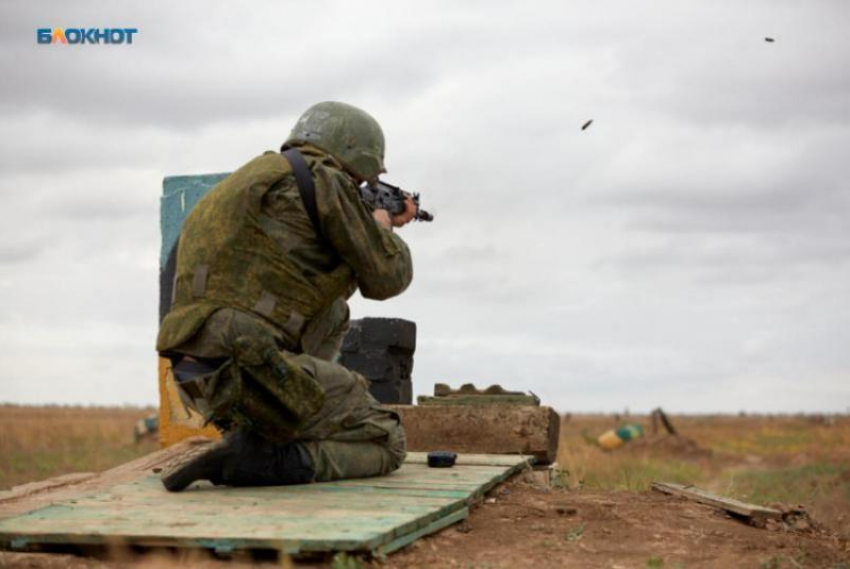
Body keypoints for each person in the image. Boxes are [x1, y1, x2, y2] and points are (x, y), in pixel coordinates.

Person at [157, 101, 416, 492]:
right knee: (387, 439)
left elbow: (292, 271)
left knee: (334, 311)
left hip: (196, 372)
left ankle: (264, 432)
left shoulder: (251, 180)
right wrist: (381, 226)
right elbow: (387, 280)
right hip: (250, 367)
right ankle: (267, 459)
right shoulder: (324, 180)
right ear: (354, 154)